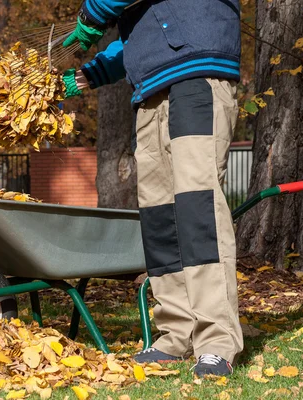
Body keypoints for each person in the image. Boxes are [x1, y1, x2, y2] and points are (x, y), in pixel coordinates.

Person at [62, 0, 243, 377]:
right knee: (160, 216)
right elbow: (144, 31)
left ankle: (216, 341)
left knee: (197, 208)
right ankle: (175, 334)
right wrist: (88, 75)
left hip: (196, 73)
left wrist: (91, 13)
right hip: (150, 92)